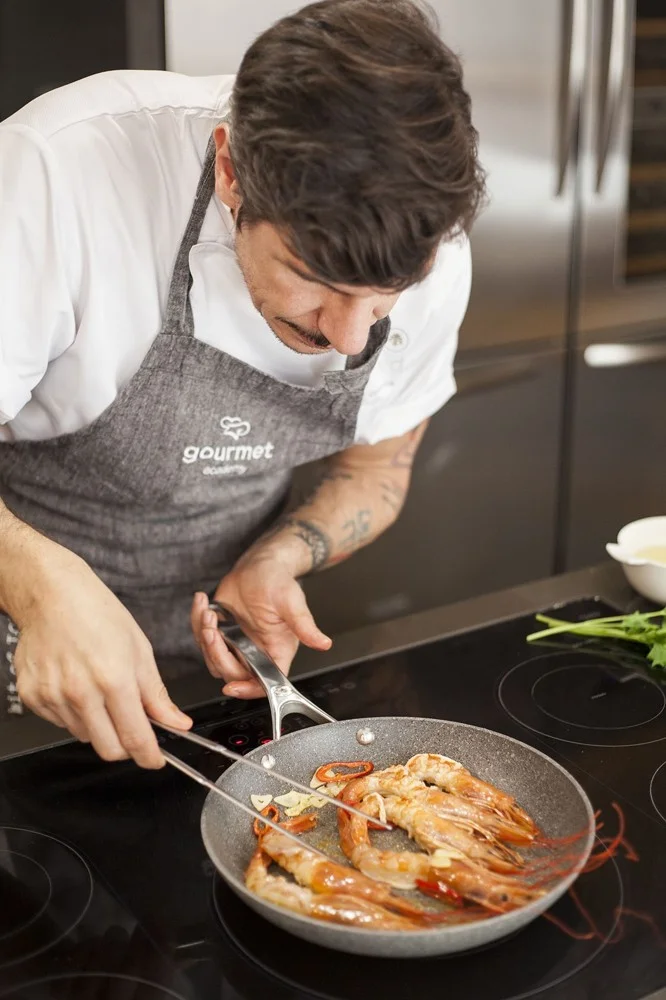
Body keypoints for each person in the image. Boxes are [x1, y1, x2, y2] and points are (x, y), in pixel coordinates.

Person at [0, 0, 484, 767]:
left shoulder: (431, 240)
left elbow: (376, 470)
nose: (348, 336)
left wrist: (281, 557)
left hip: (212, 676)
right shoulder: (57, 174)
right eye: (314, 278)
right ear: (231, 171)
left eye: (384, 297)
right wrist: (40, 588)